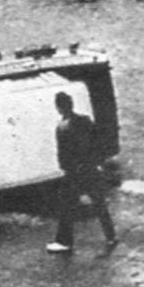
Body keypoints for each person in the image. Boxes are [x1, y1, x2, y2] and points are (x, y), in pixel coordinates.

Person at [47, 91, 117, 254]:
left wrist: (66, 168)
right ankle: (110, 235)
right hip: (90, 168)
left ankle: (64, 242)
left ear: (59, 107)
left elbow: (64, 153)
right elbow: (96, 142)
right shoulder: (85, 121)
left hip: (74, 173)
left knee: (66, 207)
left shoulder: (62, 127)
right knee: (99, 203)